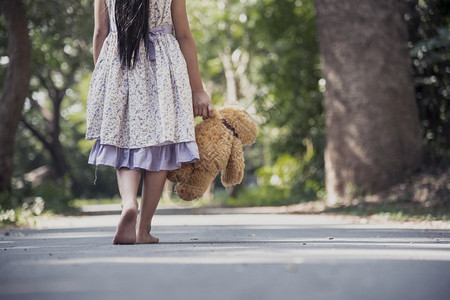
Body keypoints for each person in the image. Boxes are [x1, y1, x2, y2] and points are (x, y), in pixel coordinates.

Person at [86, 0, 213, 244]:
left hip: (120, 61)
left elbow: (100, 32)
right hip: (163, 66)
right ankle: (142, 230)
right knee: (161, 146)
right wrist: (198, 89)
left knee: (124, 142)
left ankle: (128, 203)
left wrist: (102, 76)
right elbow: (184, 35)